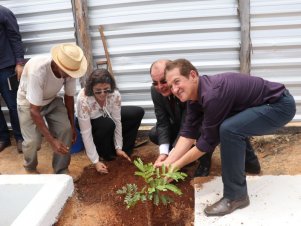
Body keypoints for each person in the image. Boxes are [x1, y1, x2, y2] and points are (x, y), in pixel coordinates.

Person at [157, 59, 296, 216]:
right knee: (232, 125)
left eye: (177, 82)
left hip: (279, 106)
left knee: (229, 129)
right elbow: (188, 133)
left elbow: (207, 143)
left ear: (193, 75)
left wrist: (176, 167)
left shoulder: (213, 95)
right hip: (264, 105)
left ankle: (236, 196)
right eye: (171, 86)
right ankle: (250, 164)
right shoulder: (195, 96)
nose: (174, 89)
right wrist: (168, 161)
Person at [17, 43, 87, 174]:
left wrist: (72, 126)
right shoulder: (38, 71)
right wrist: (51, 140)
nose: (70, 75)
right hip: (28, 102)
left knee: (65, 130)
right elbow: (34, 110)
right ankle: (30, 167)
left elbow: (69, 98)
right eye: (68, 72)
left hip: (51, 99)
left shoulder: (70, 71)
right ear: (57, 64)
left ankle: (61, 169)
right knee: (33, 142)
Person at [149, 59, 212, 177]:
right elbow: (162, 122)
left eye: (163, 81)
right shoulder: (155, 91)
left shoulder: (185, 89)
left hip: (195, 125)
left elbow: (188, 127)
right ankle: (181, 157)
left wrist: (173, 159)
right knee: (154, 133)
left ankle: (204, 162)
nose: (159, 87)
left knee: (203, 133)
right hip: (179, 125)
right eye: (154, 83)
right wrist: (164, 154)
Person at [76, 68, 144, 174]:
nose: (103, 94)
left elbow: (117, 121)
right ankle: (105, 154)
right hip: (91, 122)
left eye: (106, 89)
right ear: (91, 89)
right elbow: (86, 133)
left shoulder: (115, 94)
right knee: (107, 124)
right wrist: (95, 161)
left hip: (107, 116)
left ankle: (123, 151)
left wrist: (119, 147)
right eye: (98, 91)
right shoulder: (83, 100)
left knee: (137, 112)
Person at [0, 5, 24, 153]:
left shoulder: (3, 12)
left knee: (14, 105)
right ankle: (3, 138)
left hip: (6, 67)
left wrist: (20, 62)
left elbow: (15, 37)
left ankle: (20, 138)